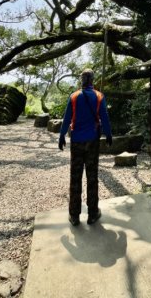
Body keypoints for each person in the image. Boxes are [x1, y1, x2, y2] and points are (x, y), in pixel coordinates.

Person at [58, 68, 112, 227]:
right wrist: (108, 134)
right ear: (93, 80)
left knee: (75, 177)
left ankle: (74, 216)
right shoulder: (99, 96)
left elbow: (67, 118)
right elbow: (105, 118)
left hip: (76, 142)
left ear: (81, 80)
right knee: (92, 176)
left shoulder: (74, 96)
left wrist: (61, 136)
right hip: (93, 142)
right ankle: (93, 213)